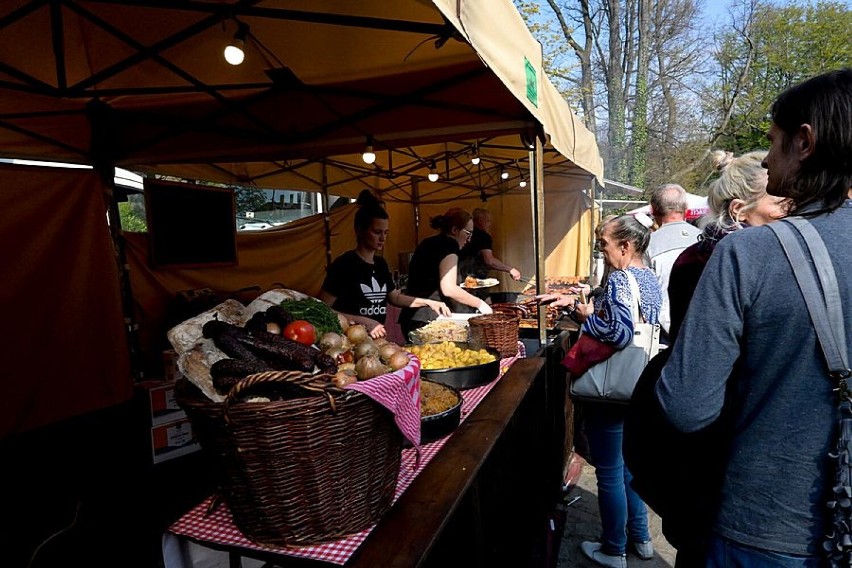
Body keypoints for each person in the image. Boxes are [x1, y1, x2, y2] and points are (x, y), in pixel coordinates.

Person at [655, 68, 852, 566]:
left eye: (774, 142)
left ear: (804, 142)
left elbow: (687, 405)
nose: (767, 158)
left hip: (766, 524)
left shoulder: (750, 253)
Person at [624, 149, 787, 567]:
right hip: (719, 433)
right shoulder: (713, 262)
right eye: (778, 201)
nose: (789, 209)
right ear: (739, 209)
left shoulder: (717, 255)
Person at [540, 215, 662, 568]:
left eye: (604, 245)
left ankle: (613, 549)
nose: (602, 252)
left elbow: (620, 333)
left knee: (609, 472)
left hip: (610, 392)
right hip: (636, 385)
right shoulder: (649, 277)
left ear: (625, 246)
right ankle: (640, 539)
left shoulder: (622, 279)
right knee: (626, 470)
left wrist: (585, 318)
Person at [320, 191, 451, 339]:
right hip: (347, 340)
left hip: (376, 341)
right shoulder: (344, 264)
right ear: (360, 230)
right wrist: (360, 320)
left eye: (386, 232)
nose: (382, 238)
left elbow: (395, 297)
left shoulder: (380, 264)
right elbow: (322, 307)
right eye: (377, 232)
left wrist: (428, 302)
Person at [399, 207, 492, 338]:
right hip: (427, 318)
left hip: (411, 316)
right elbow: (448, 288)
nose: (469, 239)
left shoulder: (428, 242)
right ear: (454, 230)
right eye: (468, 233)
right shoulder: (449, 244)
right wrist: (481, 304)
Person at [646, 184, 701, 339]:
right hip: (700, 328)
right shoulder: (705, 240)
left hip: (663, 333)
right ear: (686, 208)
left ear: (653, 210)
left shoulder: (648, 245)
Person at [458, 208, 522, 282]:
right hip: (473, 279)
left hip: (459, 276)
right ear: (480, 221)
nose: (490, 224)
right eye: (488, 221)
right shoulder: (483, 236)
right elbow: (489, 261)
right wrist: (510, 269)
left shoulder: (463, 234)